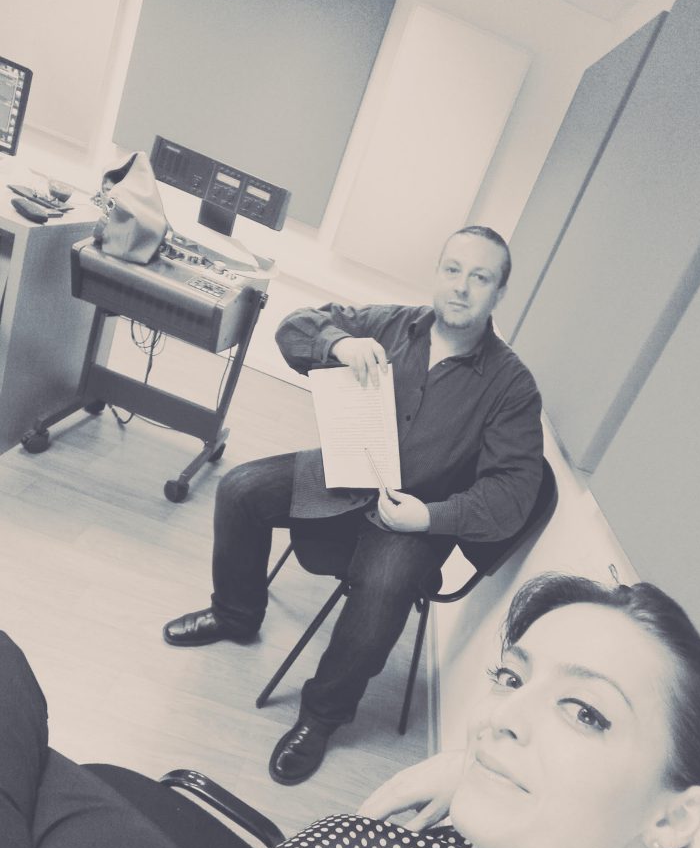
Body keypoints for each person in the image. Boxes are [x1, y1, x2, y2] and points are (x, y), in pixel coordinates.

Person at [8, 573, 700, 848]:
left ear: (674, 819)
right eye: (511, 678)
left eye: (586, 713)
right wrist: (473, 772)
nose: (500, 719)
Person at [162, 225, 544, 785]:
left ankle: (321, 716)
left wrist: (428, 517)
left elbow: (511, 497)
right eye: (453, 270)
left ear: (500, 292)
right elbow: (294, 327)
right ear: (438, 273)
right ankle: (236, 614)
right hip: (341, 476)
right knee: (239, 488)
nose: (462, 287)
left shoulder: (513, 386)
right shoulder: (391, 323)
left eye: (480, 277)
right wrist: (337, 344)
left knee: (386, 584)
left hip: (414, 515)